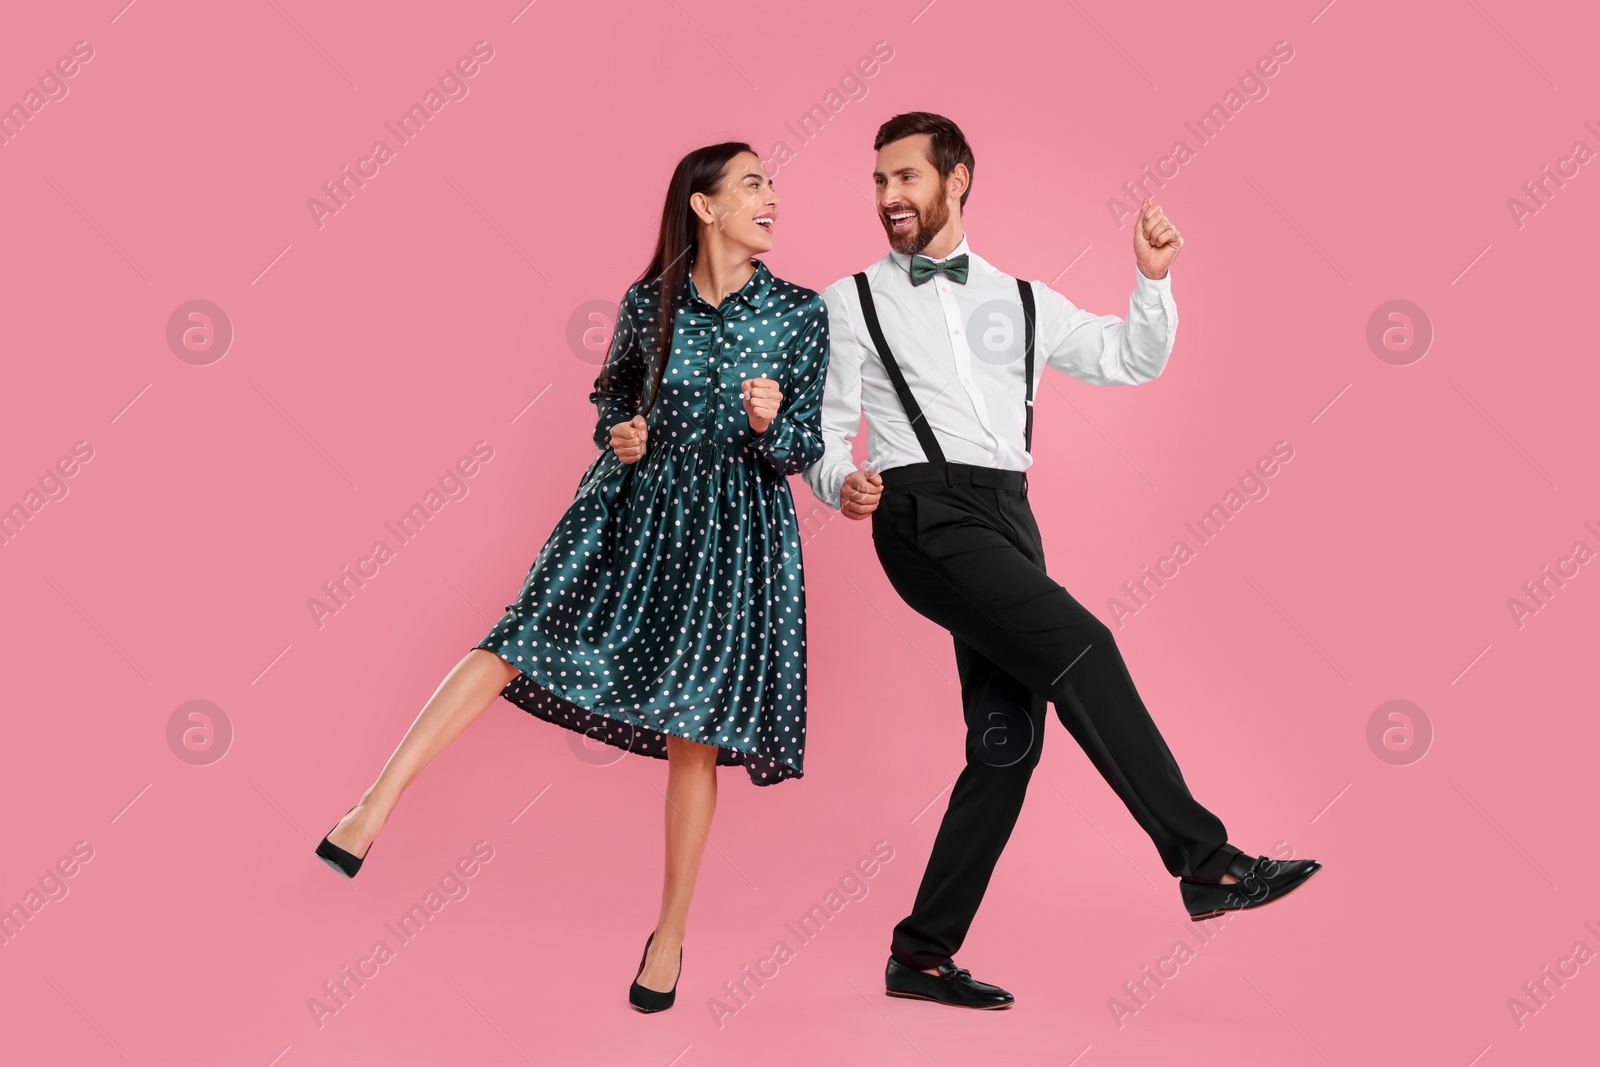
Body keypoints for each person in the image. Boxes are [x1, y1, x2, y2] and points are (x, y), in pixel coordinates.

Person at [802, 112, 1321, 1010]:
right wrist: (840, 478)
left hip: (1009, 516)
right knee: (1086, 643)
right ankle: (1206, 862)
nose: (888, 197)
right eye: (879, 180)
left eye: (906, 179)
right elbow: (820, 429)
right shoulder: (848, 301)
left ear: (957, 179)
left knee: (1007, 747)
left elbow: (1131, 358)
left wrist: (1151, 281)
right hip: (922, 513)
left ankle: (920, 955)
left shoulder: (1026, 300)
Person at [314, 142, 830, 1015]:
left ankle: (668, 934)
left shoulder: (801, 314)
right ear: (703, 207)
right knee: (512, 637)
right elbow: (612, 398)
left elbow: (804, 448)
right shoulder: (647, 302)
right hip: (627, 512)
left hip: (732, 533)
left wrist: (773, 424)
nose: (772, 197)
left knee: (694, 728)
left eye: (771, 184)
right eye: (753, 184)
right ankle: (372, 804)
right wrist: (622, 431)